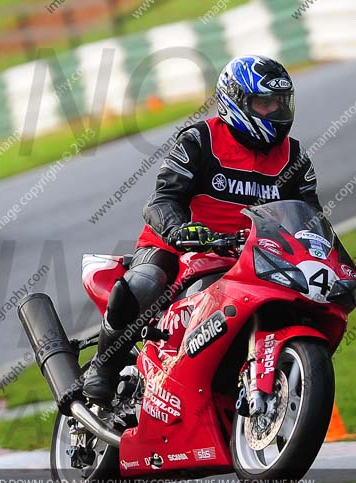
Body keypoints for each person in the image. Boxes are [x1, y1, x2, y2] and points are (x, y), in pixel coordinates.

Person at [83, 55, 322, 407]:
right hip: (182, 249)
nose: (274, 111)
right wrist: (180, 231)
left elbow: (310, 218)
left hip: (252, 258)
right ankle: (102, 368)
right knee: (144, 282)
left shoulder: (294, 157)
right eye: (263, 103)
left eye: (279, 102)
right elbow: (161, 200)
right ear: (236, 101)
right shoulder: (199, 139)